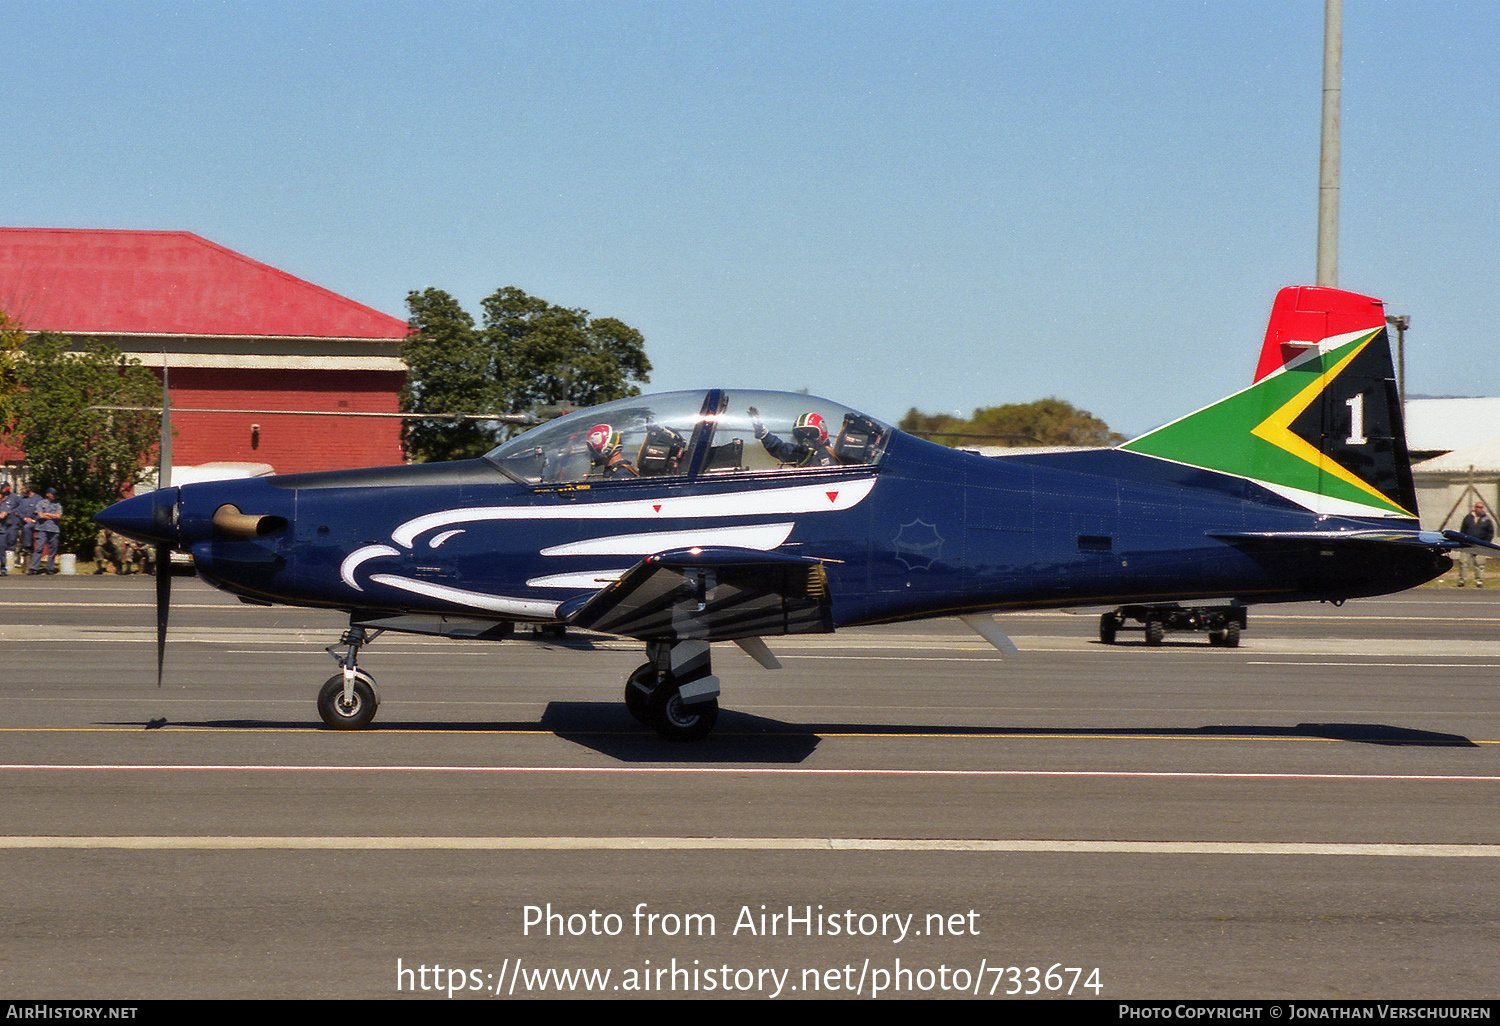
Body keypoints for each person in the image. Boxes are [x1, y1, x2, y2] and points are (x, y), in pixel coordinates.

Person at [750, 407, 839, 468]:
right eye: (801, 435)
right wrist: (763, 433)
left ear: (821, 432)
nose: (805, 439)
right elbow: (779, 448)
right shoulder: (801, 454)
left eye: (811, 434)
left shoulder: (825, 456)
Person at [1458, 500, 1495, 588]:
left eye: (1481, 507)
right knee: (1463, 563)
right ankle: (1461, 581)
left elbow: (1490, 532)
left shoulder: (1486, 519)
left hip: (1480, 545)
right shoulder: (1468, 517)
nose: (1480, 509)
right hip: (1467, 544)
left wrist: (1486, 543)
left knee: (1480, 564)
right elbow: (1463, 530)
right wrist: (1462, 541)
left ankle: (1479, 581)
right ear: (1475, 508)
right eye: (1478, 507)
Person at [29, 488, 62, 575]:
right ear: (47, 494)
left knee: (53, 549)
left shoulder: (57, 505)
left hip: (54, 529)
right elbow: (40, 515)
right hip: (42, 529)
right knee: (39, 548)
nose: (54, 495)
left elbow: (59, 516)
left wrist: (47, 514)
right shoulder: (41, 503)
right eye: (52, 494)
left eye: (55, 494)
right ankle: (33, 568)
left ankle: (50, 568)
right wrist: (52, 515)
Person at [0, 483, 18, 575]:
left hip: (2, 531)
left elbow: (3, 515)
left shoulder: (5, 505)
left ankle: (3, 569)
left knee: (2, 551)